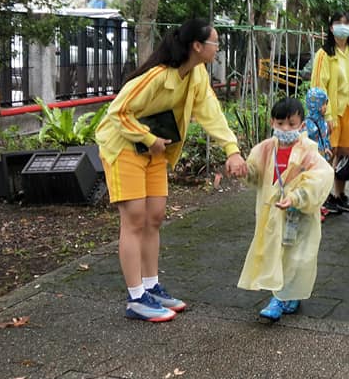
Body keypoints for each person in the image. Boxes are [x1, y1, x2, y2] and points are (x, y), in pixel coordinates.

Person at [96, 18, 248, 322]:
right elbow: (117, 113)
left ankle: (151, 287)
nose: (217, 48)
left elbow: (211, 113)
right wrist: (149, 139)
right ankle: (136, 297)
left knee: (154, 217)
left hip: (155, 149)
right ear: (197, 46)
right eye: (214, 43)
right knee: (134, 219)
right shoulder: (156, 75)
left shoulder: (196, 75)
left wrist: (232, 149)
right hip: (124, 146)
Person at [238, 97, 334, 322]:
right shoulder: (265, 148)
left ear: (301, 125)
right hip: (272, 213)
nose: (285, 129)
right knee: (277, 253)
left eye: (291, 124)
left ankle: (280, 299)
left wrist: (297, 197)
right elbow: (256, 174)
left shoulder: (308, 151)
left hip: (297, 214)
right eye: (280, 123)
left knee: (296, 256)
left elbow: (322, 176)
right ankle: (286, 295)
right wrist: (243, 171)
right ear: (272, 122)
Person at [310, 12, 349, 214]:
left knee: (344, 155)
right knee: (328, 155)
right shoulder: (324, 54)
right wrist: (327, 116)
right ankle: (323, 198)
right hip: (332, 112)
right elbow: (318, 87)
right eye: (338, 23)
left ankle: (339, 195)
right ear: (331, 28)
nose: (343, 26)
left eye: (347, 23)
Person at [304, 86, 333, 221]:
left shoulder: (322, 121)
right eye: (324, 104)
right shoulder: (308, 124)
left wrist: (327, 147)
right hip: (312, 159)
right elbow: (305, 142)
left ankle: (319, 205)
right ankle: (313, 210)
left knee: (321, 183)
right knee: (313, 184)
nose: (326, 107)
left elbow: (324, 137)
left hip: (322, 157)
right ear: (317, 105)